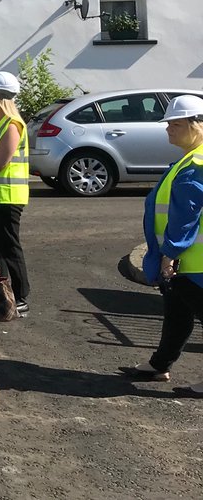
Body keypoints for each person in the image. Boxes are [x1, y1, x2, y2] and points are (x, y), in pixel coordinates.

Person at [120, 94, 203, 396]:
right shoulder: (190, 158)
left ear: (198, 124)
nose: (169, 129)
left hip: (193, 261)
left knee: (185, 310)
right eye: (168, 123)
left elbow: (185, 216)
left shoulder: (196, 163)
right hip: (190, 259)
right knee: (177, 313)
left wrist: (170, 254)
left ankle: (160, 365)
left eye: (176, 124)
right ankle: (160, 364)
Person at [0, 71, 31, 315]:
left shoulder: (13, 124)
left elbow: (0, 161)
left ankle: (21, 296)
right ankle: (2, 294)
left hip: (9, 196)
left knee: (9, 246)